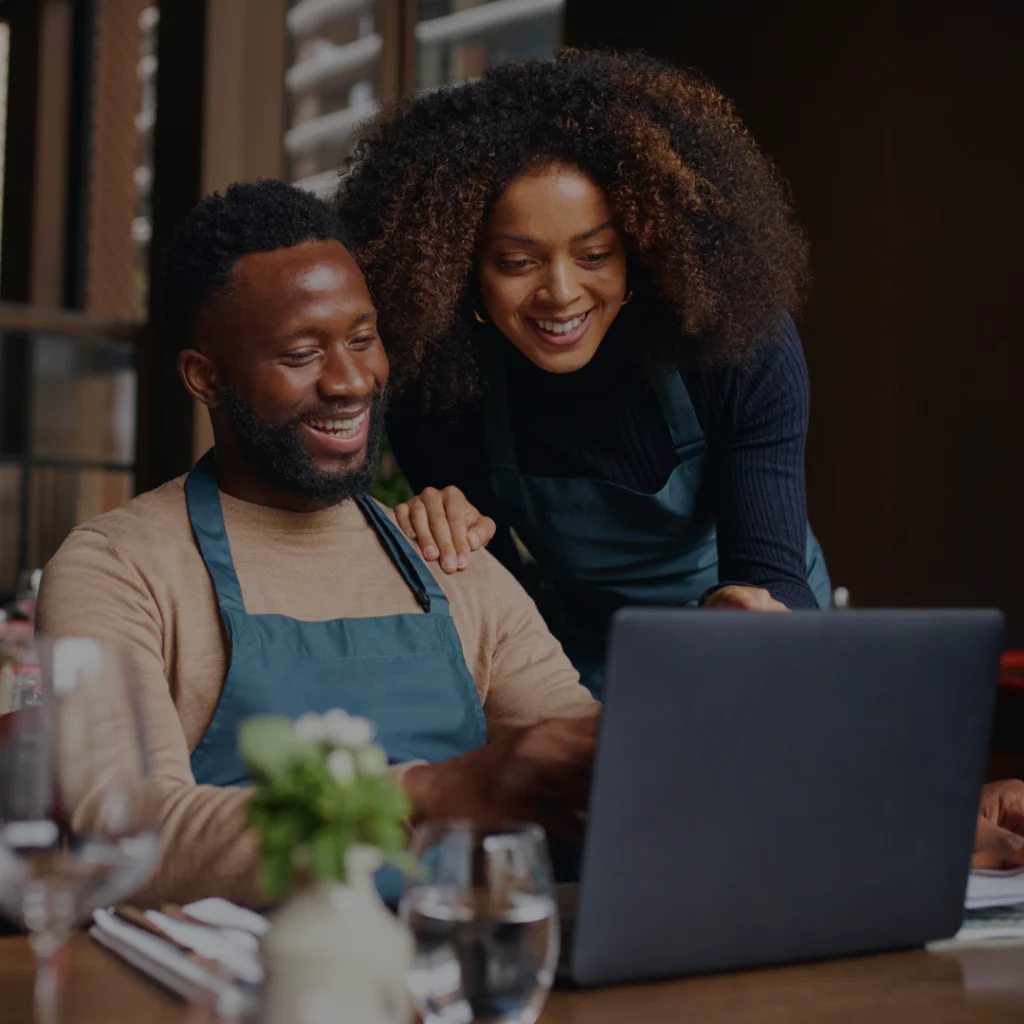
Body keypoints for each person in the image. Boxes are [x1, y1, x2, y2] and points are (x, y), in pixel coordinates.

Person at [35, 181, 598, 909]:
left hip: (464, 978)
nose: (351, 380)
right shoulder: (118, 568)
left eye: (363, 339)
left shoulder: (448, 553)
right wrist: (428, 791)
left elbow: (578, 759)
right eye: (302, 353)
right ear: (205, 379)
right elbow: (125, 831)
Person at [336, 49, 831, 696]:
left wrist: (750, 616)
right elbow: (501, 610)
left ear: (642, 249)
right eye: (517, 262)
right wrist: (447, 541)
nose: (562, 294)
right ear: (459, 270)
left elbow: (773, 573)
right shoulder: (438, 385)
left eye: (596, 253)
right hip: (582, 655)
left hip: (754, 639)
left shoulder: (736, 346)